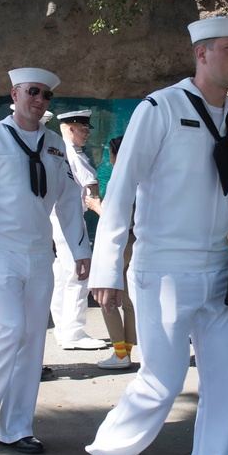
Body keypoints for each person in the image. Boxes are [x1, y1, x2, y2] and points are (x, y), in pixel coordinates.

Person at [82, 16, 228, 455]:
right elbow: (120, 192)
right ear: (202, 54)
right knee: (161, 383)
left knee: (223, 392)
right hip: (162, 268)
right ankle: (108, 452)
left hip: (219, 269)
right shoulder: (160, 109)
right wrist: (106, 270)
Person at [0, 67, 91, 455]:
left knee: (32, 341)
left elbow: (67, 200)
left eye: (46, 95)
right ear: (14, 94)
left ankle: (16, 427)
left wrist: (81, 251)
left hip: (38, 253)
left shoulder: (52, 143)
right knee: (10, 330)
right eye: (32, 91)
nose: (39, 100)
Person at [50, 109, 107, 350]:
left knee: (63, 277)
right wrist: (107, 216)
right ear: (70, 128)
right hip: (70, 219)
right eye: (83, 129)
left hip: (56, 219)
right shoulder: (72, 153)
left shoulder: (56, 150)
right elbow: (91, 186)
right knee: (78, 274)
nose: (87, 134)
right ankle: (73, 333)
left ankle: (63, 329)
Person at [96, 135, 136, 370]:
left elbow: (113, 218)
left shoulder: (119, 178)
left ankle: (120, 353)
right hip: (137, 241)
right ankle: (126, 352)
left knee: (106, 297)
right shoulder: (143, 176)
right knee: (130, 300)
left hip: (120, 243)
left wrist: (94, 206)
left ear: (114, 154)